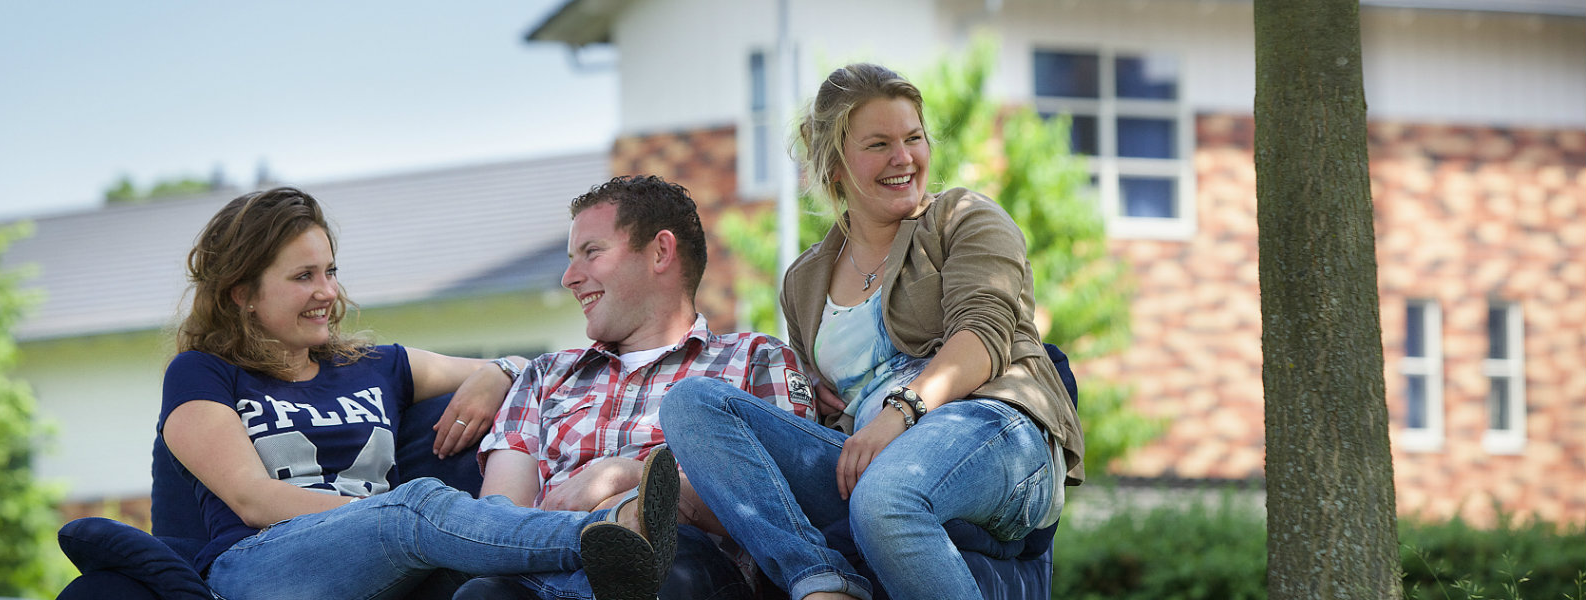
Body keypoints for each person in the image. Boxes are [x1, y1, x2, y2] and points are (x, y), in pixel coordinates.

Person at [659, 63, 1085, 600]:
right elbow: (825, 408)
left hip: (991, 428)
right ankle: (819, 580)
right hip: (870, 454)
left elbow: (984, 334)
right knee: (692, 403)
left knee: (886, 498)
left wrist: (899, 412)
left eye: (913, 138)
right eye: (879, 143)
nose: (903, 158)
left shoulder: (963, 217)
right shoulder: (805, 279)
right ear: (835, 164)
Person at [160, 186, 680, 600]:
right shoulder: (202, 373)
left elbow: (529, 370)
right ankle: (611, 533)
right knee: (416, 506)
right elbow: (253, 500)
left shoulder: (377, 366)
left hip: (386, 559)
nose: (327, 292)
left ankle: (614, 574)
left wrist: (498, 370)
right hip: (259, 569)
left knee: (486, 578)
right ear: (243, 294)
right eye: (303, 277)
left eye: (330, 272)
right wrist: (382, 517)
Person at [452, 175, 817, 600]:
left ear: (660, 252)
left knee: (676, 576)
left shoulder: (756, 360)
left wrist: (631, 480)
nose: (569, 278)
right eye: (572, 258)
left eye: (592, 253)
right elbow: (500, 523)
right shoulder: (544, 376)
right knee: (482, 594)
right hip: (550, 569)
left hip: (683, 567)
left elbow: (786, 507)